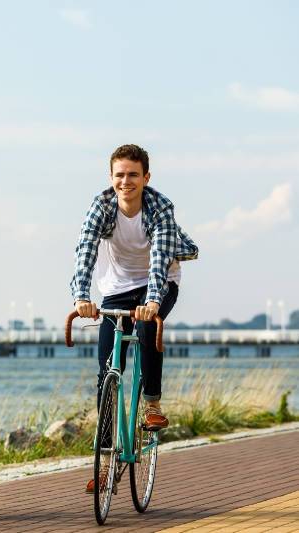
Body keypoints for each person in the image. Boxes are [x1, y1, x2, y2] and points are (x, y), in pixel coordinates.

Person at [70, 143, 199, 492]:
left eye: (132, 175)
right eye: (119, 175)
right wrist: (82, 296)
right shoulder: (102, 206)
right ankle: (107, 460)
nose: (125, 181)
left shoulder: (159, 208)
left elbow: (159, 260)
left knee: (144, 327)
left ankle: (152, 403)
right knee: (107, 369)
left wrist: (154, 302)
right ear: (111, 177)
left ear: (146, 177)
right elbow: (85, 249)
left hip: (159, 284)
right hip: (117, 289)